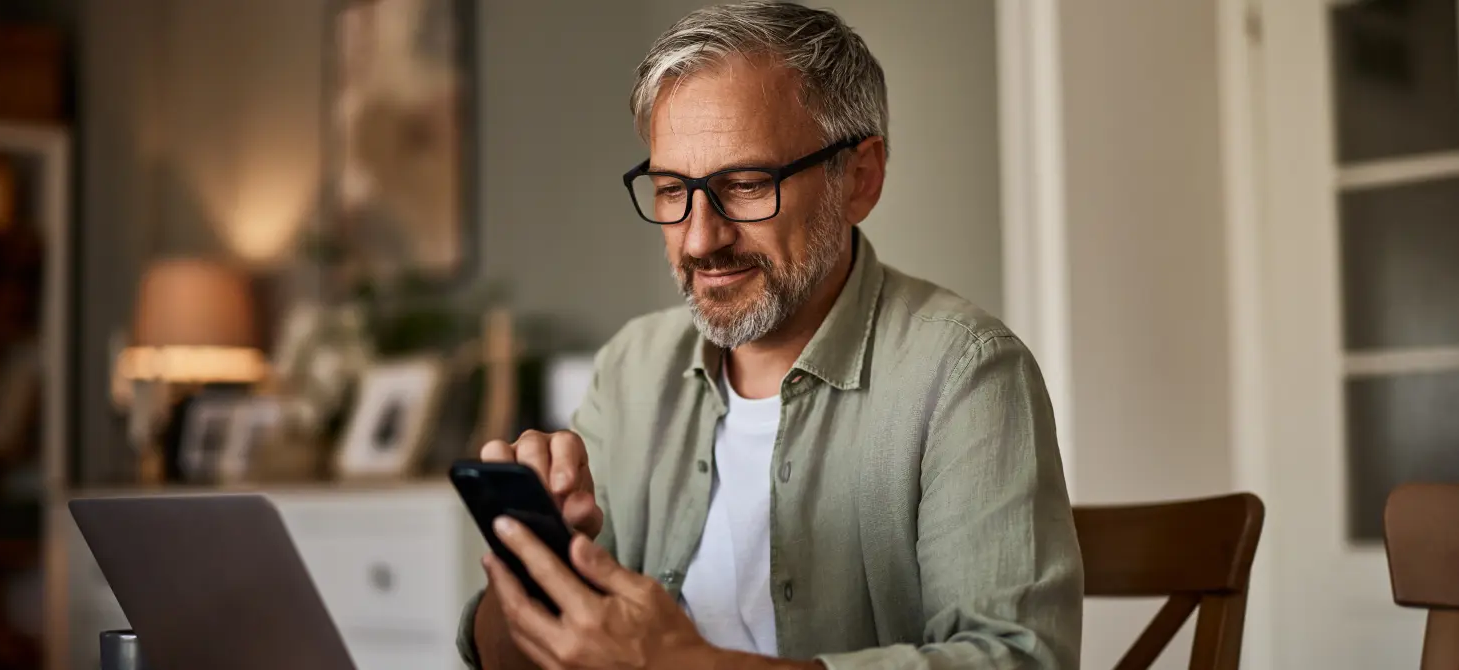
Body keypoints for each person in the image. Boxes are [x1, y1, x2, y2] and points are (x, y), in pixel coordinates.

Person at [458, 2, 1082, 668]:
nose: (700, 238)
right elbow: (500, 658)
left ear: (860, 178)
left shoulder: (966, 374)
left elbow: (1017, 660)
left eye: (747, 184)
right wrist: (538, 567)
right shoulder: (631, 369)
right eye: (672, 190)